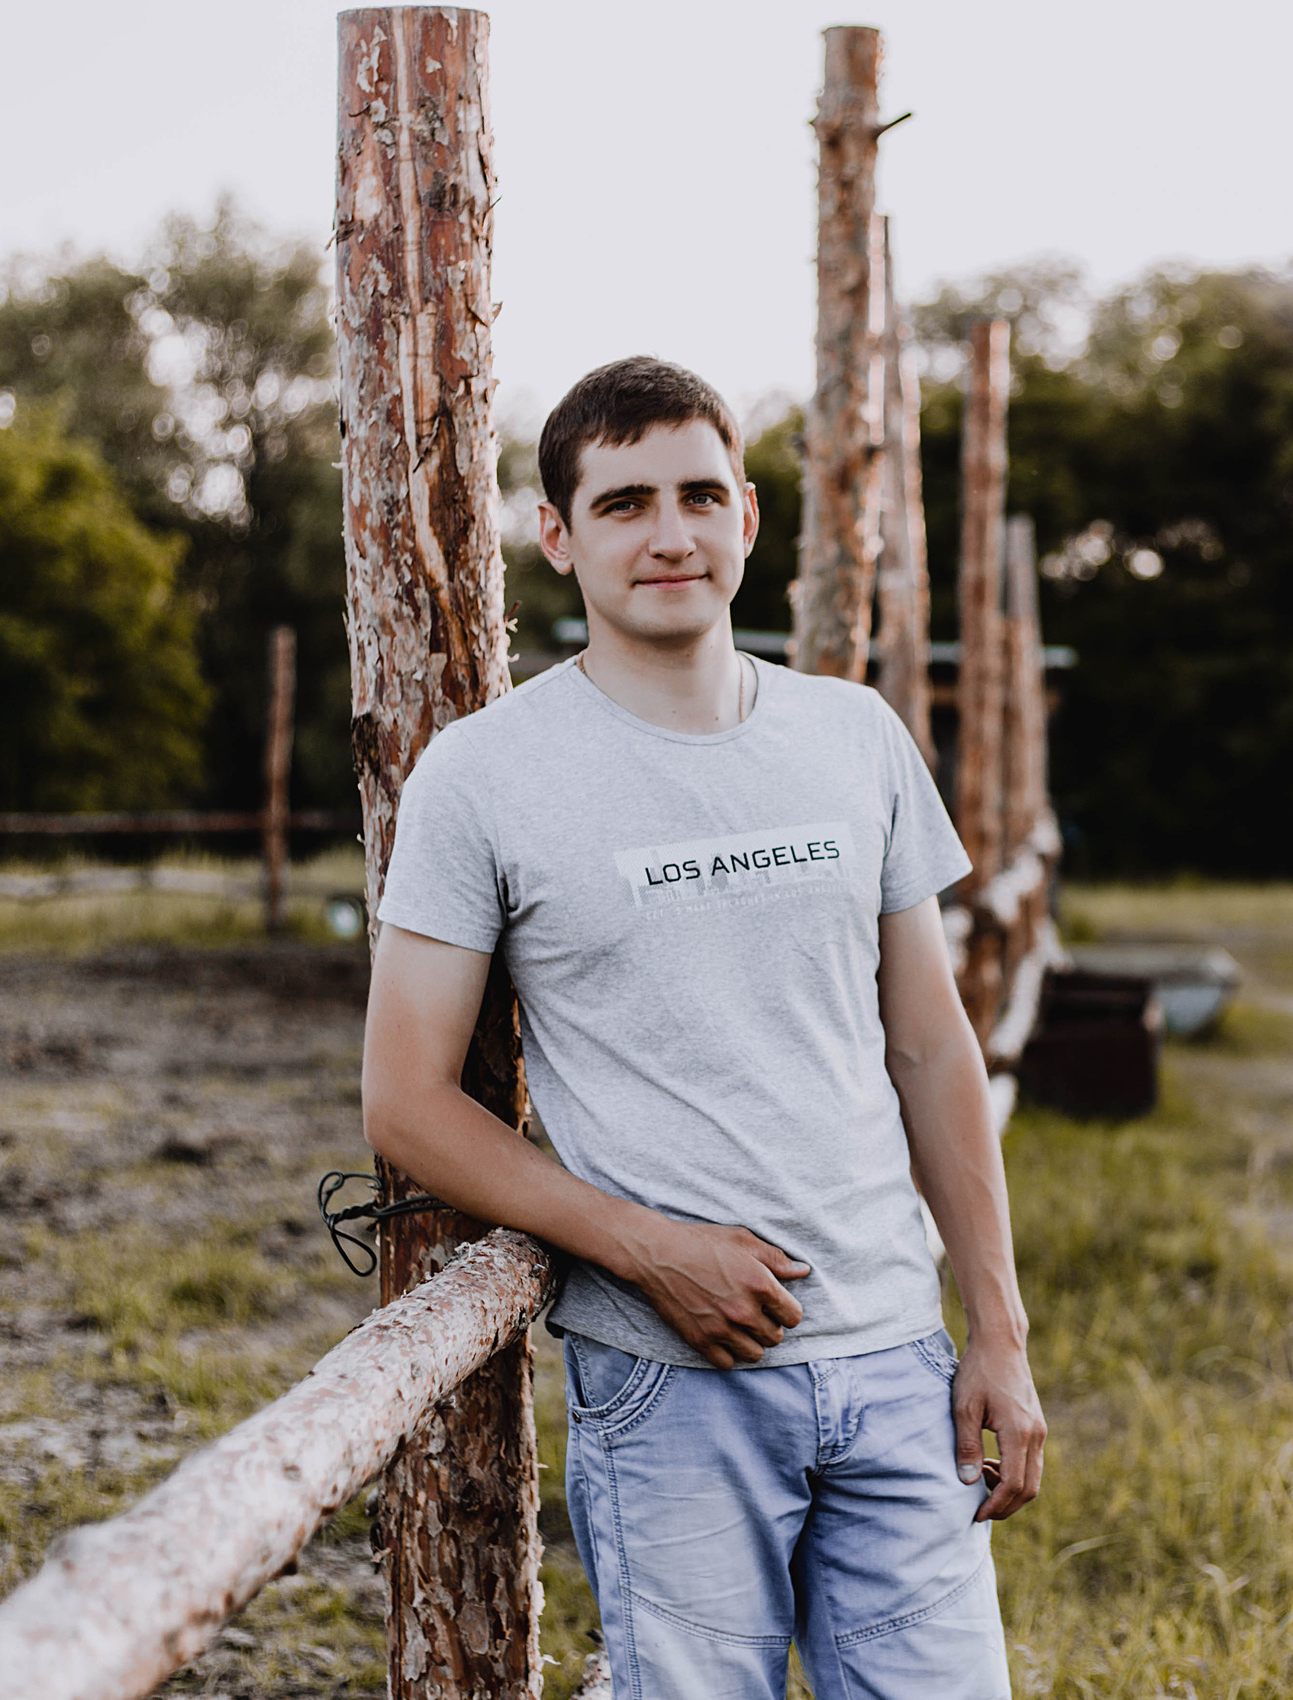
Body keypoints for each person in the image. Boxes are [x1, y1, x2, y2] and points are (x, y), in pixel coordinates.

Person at [359, 355, 1043, 1700]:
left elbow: (930, 1047)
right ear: (555, 536)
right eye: (621, 504)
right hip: (672, 1383)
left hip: (896, 1357)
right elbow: (406, 1101)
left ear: (748, 517)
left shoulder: (855, 737)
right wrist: (649, 1251)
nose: (667, 533)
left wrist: (997, 1333)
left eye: (697, 494)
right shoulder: (486, 777)